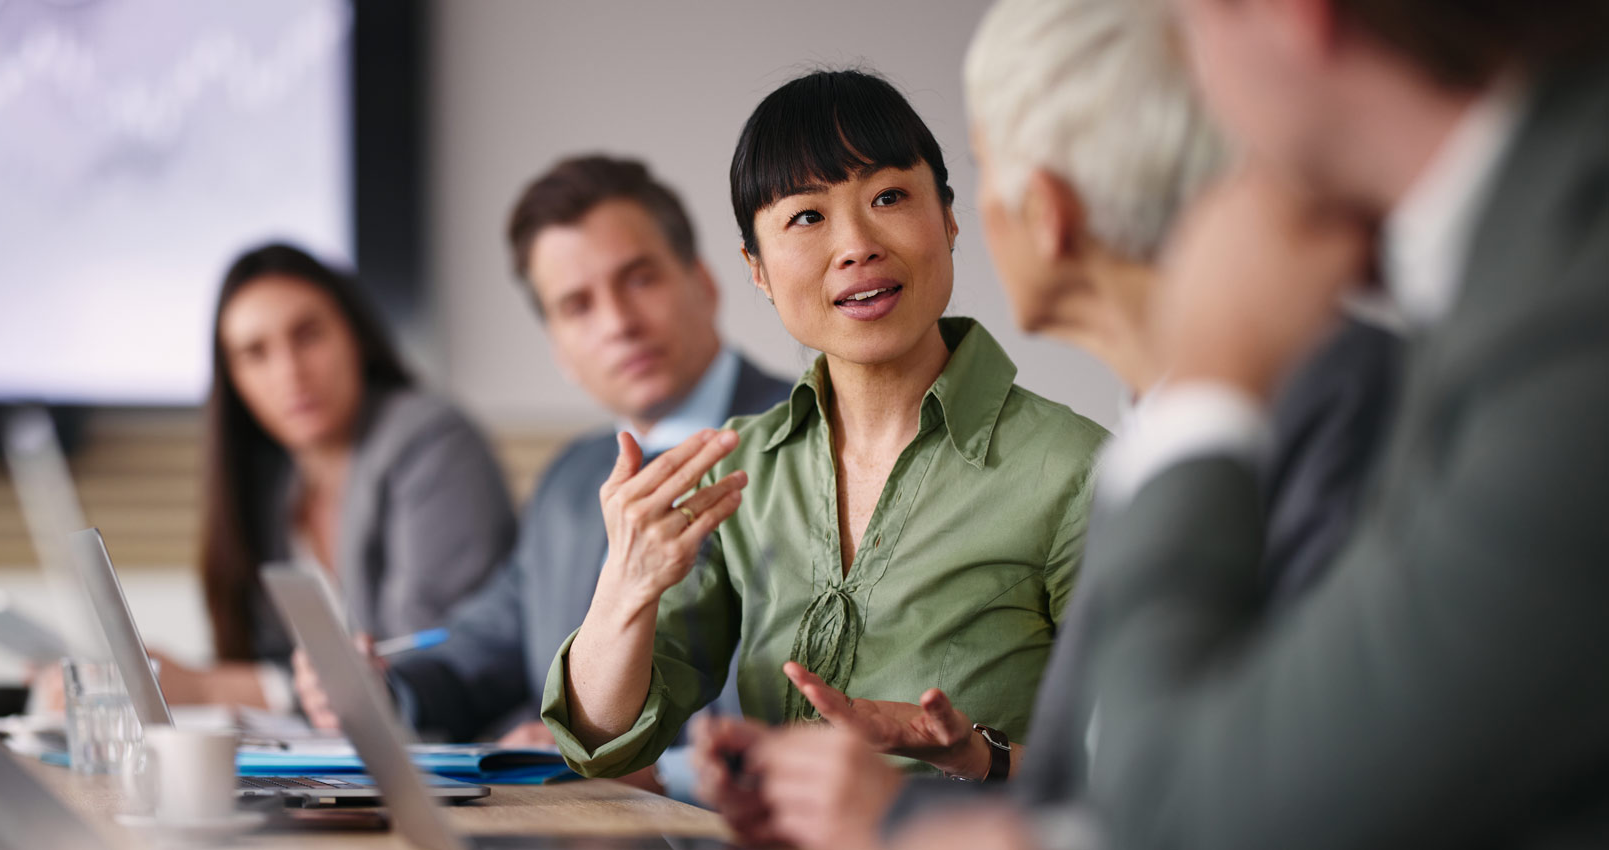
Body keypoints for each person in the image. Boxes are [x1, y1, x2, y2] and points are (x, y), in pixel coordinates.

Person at [893, 0, 1609, 847]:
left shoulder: (1556, 327)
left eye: (1191, 20)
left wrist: (1212, 380)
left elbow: (1194, 803)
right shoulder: (1497, 273)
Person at [686, 0, 1404, 844]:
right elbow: (1100, 781)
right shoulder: (1163, 431)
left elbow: (1269, 792)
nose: (861, 242)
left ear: (1045, 211)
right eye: (807, 216)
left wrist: (898, 820)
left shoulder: (1304, 405)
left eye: (979, 172)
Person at [542, 69, 1108, 806]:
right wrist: (625, 583)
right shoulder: (737, 468)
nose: (855, 245)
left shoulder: (1074, 469)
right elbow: (604, 739)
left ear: (948, 218)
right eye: (806, 217)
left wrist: (976, 755)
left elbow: (1159, 761)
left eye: (889, 198)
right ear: (756, 271)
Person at [293, 156, 792, 793]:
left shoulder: (812, 436)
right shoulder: (569, 480)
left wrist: (626, 763)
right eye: (577, 306)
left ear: (704, 282)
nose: (617, 323)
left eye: (639, 280)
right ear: (558, 346)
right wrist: (380, 686)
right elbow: (481, 646)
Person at [164, 243, 516, 708]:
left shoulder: (433, 441)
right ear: (234, 382)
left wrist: (209, 687)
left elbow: (420, 659)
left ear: (354, 335)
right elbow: (276, 656)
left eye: (308, 335)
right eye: (255, 353)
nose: (290, 372)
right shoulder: (277, 485)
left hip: (467, 750)